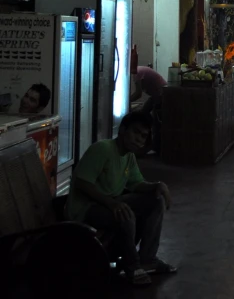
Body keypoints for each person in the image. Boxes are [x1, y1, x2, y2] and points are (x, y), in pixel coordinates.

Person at [65, 111, 176, 286]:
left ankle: (148, 259)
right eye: (135, 132)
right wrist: (112, 203)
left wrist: (157, 186)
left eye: (143, 136)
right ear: (123, 130)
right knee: (125, 213)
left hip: (109, 204)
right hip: (85, 208)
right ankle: (132, 266)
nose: (139, 139)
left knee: (155, 201)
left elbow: (136, 184)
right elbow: (82, 183)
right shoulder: (103, 149)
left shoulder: (128, 156)